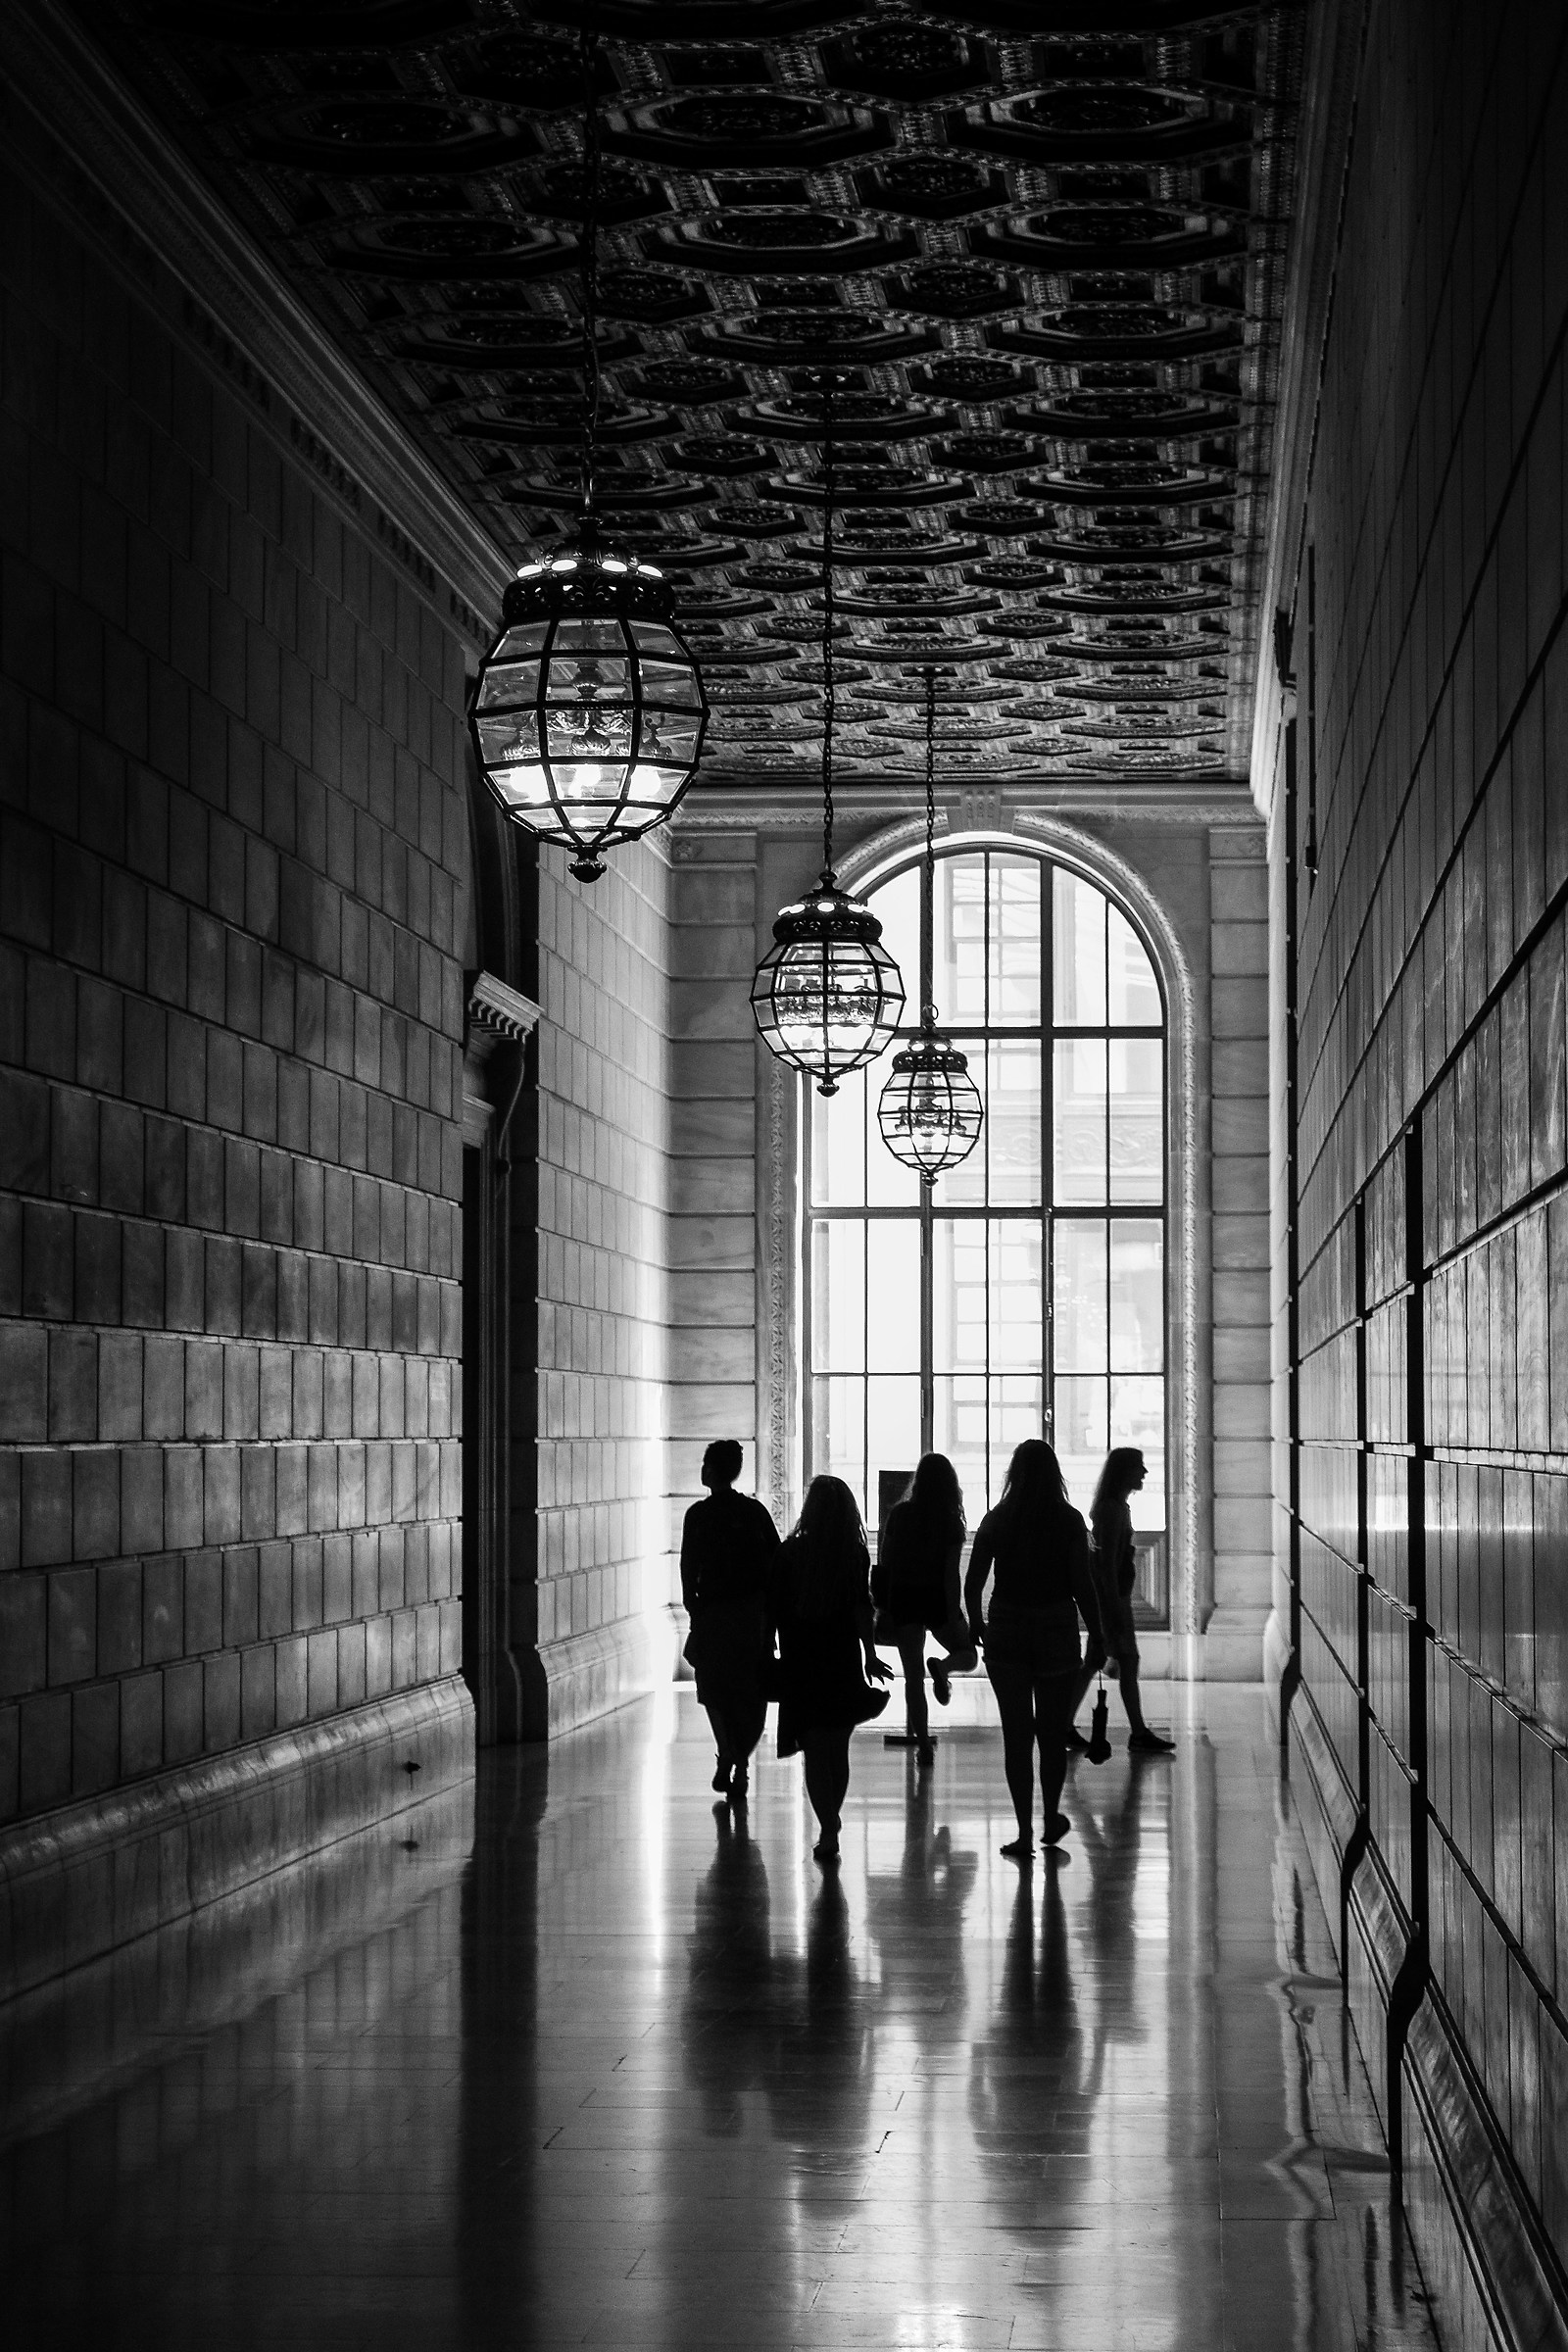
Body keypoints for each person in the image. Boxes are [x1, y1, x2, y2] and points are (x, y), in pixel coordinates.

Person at [963, 1439, 1106, 1860]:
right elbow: (1083, 1586)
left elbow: (972, 1583)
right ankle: (1050, 1818)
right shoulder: (1068, 1521)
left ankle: (1024, 1832)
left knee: (1016, 1736)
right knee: (1050, 1734)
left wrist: (977, 1622)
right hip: (1056, 1634)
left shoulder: (998, 1519)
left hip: (1006, 1632)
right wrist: (1098, 1633)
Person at [771, 1476, 893, 1863]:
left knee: (812, 1748)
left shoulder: (789, 1554)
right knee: (837, 1749)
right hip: (839, 1658)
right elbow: (861, 1609)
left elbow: (774, 1608)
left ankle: (826, 1823)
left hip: (801, 1658)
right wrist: (870, 1654)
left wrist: (768, 1646)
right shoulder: (854, 1555)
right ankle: (830, 1822)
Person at [680, 1440, 780, 1798]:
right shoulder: (754, 1513)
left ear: (711, 1469)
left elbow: (688, 1568)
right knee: (751, 1692)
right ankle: (740, 1761)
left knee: (714, 1691)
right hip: (753, 1616)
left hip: (713, 1615)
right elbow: (775, 1567)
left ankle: (728, 1754)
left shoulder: (698, 1515)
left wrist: (694, 1610)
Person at [1070, 1447, 1175, 1754]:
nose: (1144, 1474)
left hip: (1113, 1599)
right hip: (1113, 1600)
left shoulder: (1113, 1508)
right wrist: (1113, 1612)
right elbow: (1106, 1567)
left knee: (1095, 1661)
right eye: (1138, 1468)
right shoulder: (1113, 1511)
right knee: (1126, 1660)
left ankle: (1064, 1723)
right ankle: (1138, 1732)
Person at [877, 1453, 979, 1763]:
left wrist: (885, 1606)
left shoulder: (900, 1515)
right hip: (936, 1598)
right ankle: (944, 1667)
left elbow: (886, 1561)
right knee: (969, 1655)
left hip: (905, 1599)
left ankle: (922, 1745)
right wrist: (952, 1611)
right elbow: (951, 1573)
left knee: (913, 1678)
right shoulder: (950, 1522)